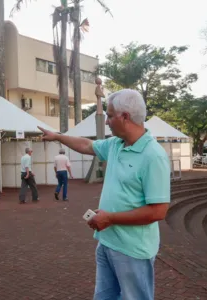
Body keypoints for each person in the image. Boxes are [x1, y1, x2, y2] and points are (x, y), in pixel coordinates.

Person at [38, 89, 171, 300]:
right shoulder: (116, 145)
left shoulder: (153, 156)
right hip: (107, 242)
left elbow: (158, 211)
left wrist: (110, 218)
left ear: (125, 117)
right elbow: (86, 145)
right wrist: (58, 137)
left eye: (109, 115)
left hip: (133, 250)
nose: (107, 121)